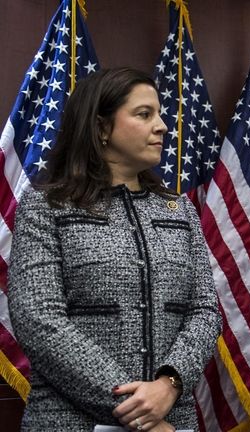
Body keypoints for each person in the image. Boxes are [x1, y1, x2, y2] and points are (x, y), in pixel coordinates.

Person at [8, 67, 221, 431]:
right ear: (102, 128)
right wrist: (138, 409)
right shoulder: (46, 206)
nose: (162, 126)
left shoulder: (180, 209)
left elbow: (205, 310)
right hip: (71, 421)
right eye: (144, 114)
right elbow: (39, 321)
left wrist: (170, 383)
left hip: (173, 415)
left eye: (160, 114)